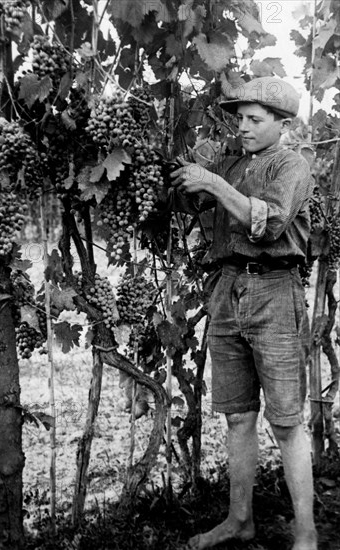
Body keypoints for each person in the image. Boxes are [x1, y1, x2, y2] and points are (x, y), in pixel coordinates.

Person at [170, 76, 317, 550]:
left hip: (275, 290)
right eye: (240, 119)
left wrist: (211, 182)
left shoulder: (292, 166)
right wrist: (188, 176)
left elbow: (267, 224)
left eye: (255, 120)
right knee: (237, 417)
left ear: (282, 123)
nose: (244, 127)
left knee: (287, 421)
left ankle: (306, 533)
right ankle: (240, 521)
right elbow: (197, 201)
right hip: (227, 288)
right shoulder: (233, 165)